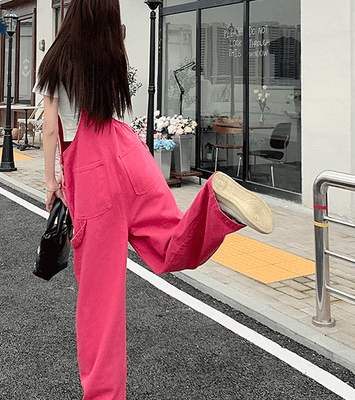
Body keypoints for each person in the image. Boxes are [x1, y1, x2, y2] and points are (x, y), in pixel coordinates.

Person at [34, 0, 273, 398]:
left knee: (100, 299)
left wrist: (50, 182)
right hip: (129, 152)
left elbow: (49, 130)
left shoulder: (56, 61)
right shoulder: (113, 51)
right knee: (169, 241)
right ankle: (214, 203)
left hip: (92, 171)